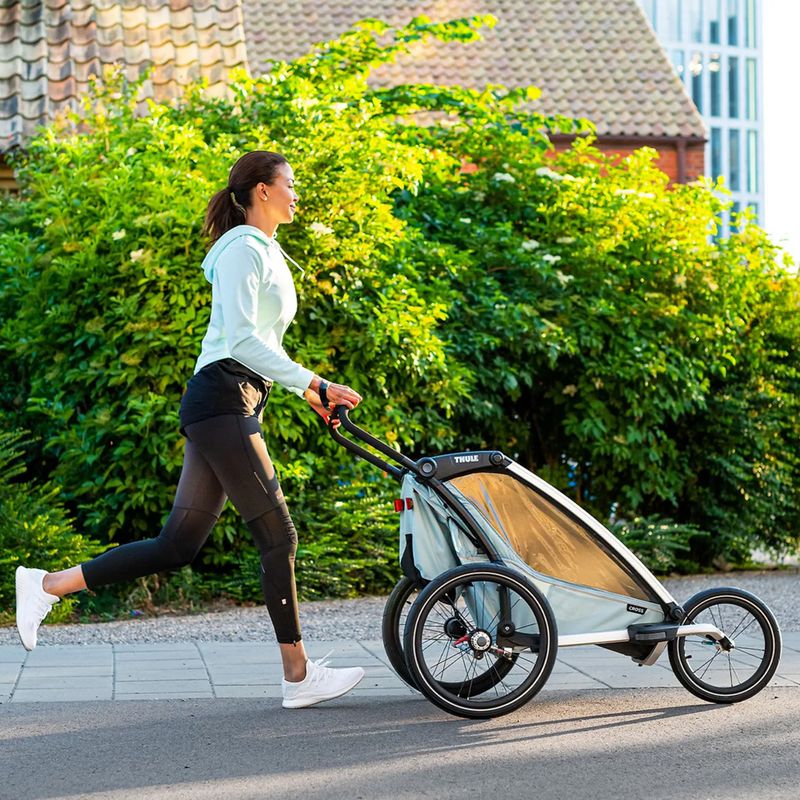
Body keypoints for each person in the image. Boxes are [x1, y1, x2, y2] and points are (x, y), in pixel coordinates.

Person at [15, 150, 366, 709]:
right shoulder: (240, 251)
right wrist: (316, 382)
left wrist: (307, 392)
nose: (297, 193)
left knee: (178, 545)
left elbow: (260, 347)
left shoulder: (263, 249)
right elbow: (246, 343)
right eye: (290, 184)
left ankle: (48, 584)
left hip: (232, 398)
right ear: (261, 191)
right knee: (279, 536)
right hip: (224, 396)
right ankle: (298, 677)